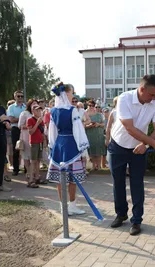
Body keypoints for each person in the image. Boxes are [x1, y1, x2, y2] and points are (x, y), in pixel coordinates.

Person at [108, 75, 155, 236]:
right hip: (118, 146)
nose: (154, 98)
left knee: (137, 184)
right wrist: (153, 143)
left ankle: (137, 220)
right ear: (142, 89)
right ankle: (121, 214)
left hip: (139, 149)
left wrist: (146, 145)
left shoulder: (154, 103)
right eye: (152, 95)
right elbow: (130, 128)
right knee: (118, 182)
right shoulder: (125, 99)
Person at [46, 82, 89, 215]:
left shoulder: (53, 111)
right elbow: (78, 130)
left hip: (59, 145)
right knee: (73, 179)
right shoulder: (72, 110)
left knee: (61, 178)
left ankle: (63, 206)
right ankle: (71, 205)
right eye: (71, 93)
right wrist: (83, 148)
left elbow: (51, 132)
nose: (73, 96)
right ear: (66, 93)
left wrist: (53, 146)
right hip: (72, 145)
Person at [18, 99, 39, 180]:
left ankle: (34, 172)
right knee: (26, 155)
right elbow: (20, 125)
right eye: (33, 104)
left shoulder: (38, 113)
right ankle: (28, 172)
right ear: (29, 105)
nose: (35, 105)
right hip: (26, 136)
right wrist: (31, 126)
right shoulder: (24, 113)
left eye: (36, 104)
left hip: (36, 136)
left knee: (34, 156)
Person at [27, 105, 47, 187]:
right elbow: (31, 132)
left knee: (38, 160)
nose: (39, 112)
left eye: (40, 110)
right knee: (33, 161)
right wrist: (37, 123)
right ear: (33, 111)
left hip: (40, 142)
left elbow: (42, 132)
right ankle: (31, 180)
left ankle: (37, 177)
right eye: (37, 110)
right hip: (34, 142)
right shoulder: (30, 120)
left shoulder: (41, 120)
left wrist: (44, 141)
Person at [6, 90, 26, 176]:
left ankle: (26, 168)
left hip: (24, 129)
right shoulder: (11, 108)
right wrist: (22, 119)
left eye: (22, 96)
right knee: (15, 149)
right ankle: (16, 169)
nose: (20, 98)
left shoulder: (25, 106)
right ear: (15, 97)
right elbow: (11, 119)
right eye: (18, 96)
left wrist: (18, 119)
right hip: (15, 129)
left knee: (26, 148)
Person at [85, 100, 106, 170]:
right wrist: (89, 126)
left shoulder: (99, 114)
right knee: (91, 151)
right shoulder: (84, 114)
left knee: (98, 151)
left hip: (98, 135)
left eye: (92, 106)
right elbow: (82, 125)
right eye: (89, 105)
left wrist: (98, 124)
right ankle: (93, 166)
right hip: (89, 135)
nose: (91, 107)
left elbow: (104, 124)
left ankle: (99, 166)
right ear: (87, 106)